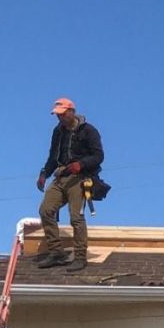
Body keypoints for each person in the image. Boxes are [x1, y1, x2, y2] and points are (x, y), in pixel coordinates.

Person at [36, 97, 104, 272]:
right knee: (46, 210)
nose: (59, 118)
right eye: (57, 115)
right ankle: (56, 252)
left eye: (62, 114)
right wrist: (45, 173)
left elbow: (98, 156)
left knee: (76, 217)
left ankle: (80, 256)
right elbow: (53, 156)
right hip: (61, 176)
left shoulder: (88, 131)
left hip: (80, 178)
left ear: (71, 112)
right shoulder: (58, 132)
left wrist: (81, 164)